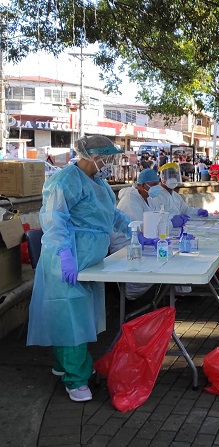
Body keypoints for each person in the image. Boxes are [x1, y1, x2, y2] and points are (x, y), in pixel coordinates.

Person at [27, 135, 132, 403]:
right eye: (103, 157)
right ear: (88, 155)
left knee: (75, 316)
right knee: (70, 316)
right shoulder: (65, 180)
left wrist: (135, 229)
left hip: (88, 259)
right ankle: (76, 379)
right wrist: (64, 253)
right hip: (68, 259)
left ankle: (65, 364)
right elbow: (54, 219)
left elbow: (110, 215)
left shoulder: (99, 183)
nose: (106, 162)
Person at [108, 169, 190, 300]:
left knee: (167, 258)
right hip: (126, 245)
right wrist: (170, 224)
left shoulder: (149, 198)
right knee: (147, 270)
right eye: (151, 185)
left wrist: (172, 227)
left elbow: (157, 220)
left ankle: (157, 298)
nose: (155, 188)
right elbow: (142, 226)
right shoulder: (130, 200)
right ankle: (138, 301)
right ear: (140, 185)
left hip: (143, 242)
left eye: (156, 184)